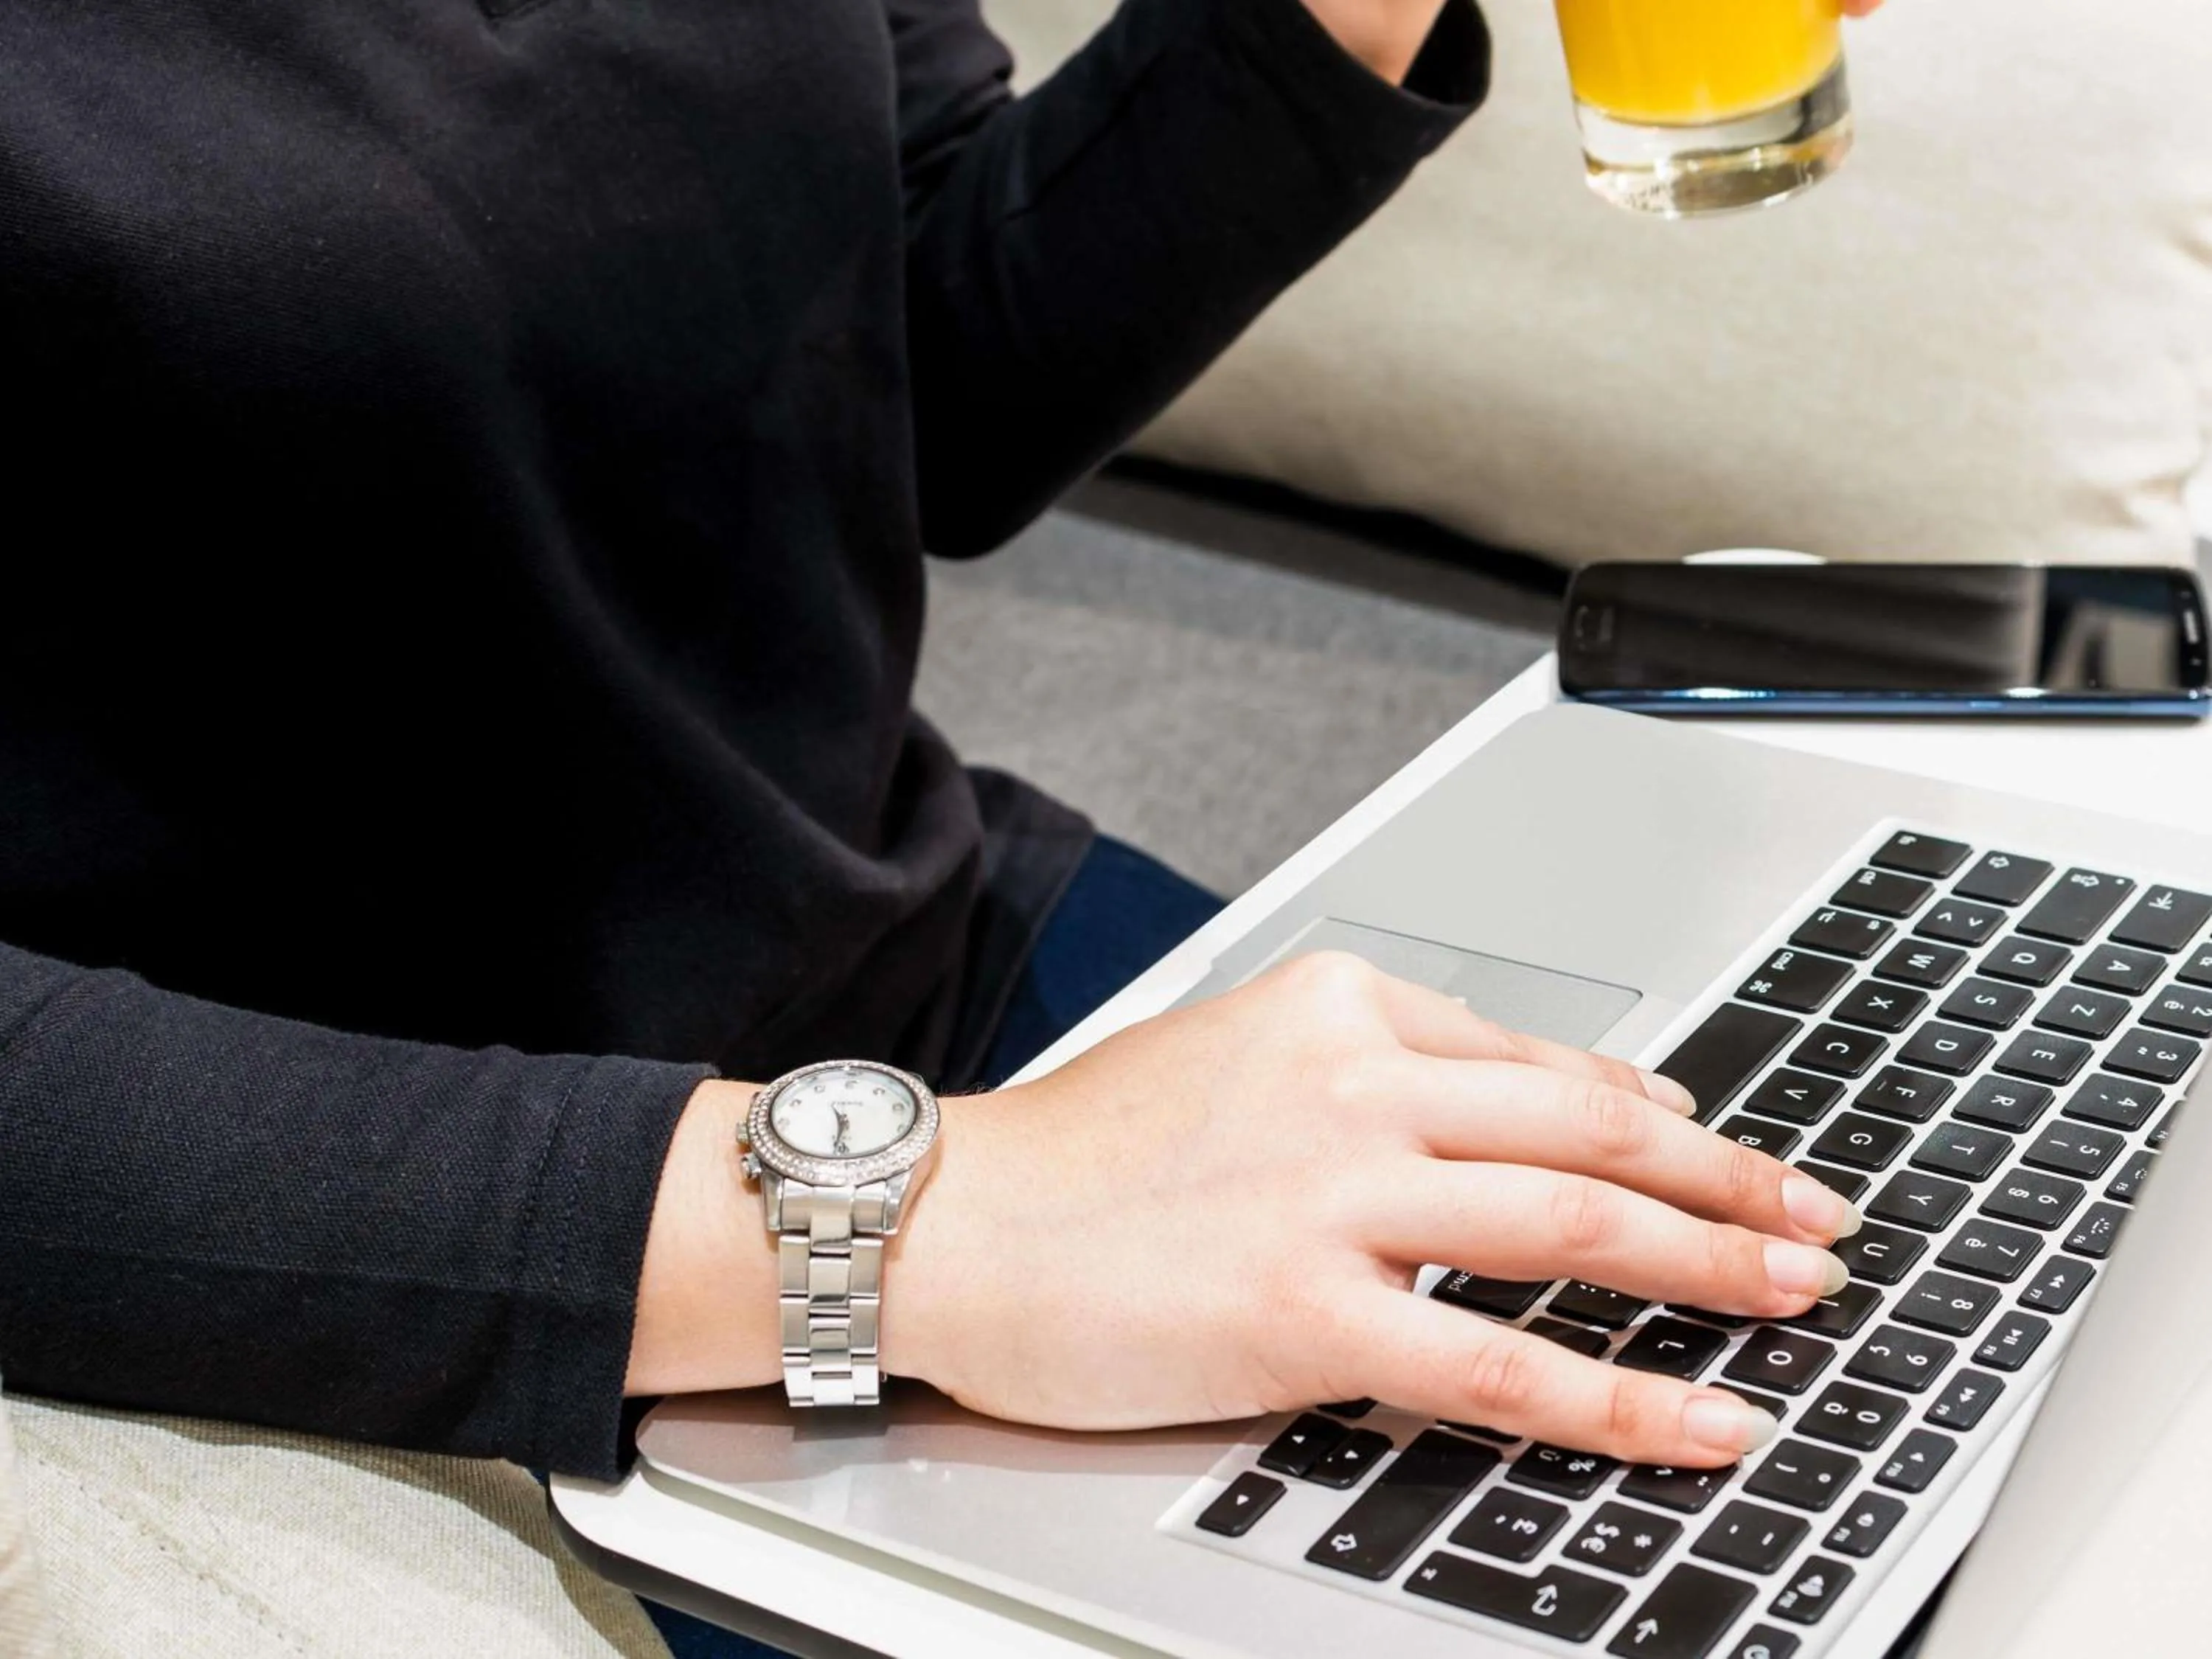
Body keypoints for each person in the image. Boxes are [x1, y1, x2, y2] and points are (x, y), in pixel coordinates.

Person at [0, 0, 1878, 1646]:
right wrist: (910, 1232)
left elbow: (934, 374)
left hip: (933, 958)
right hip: (428, 1261)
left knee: (1869, 1372)